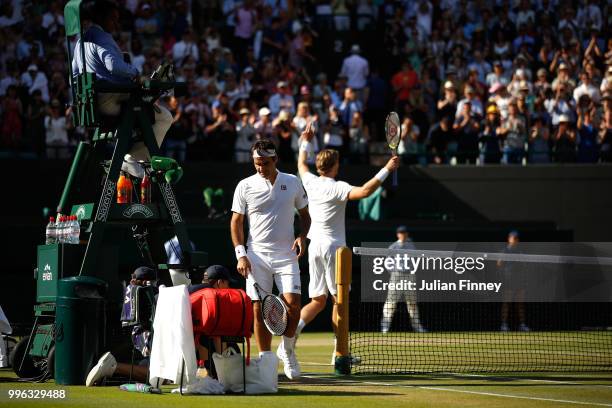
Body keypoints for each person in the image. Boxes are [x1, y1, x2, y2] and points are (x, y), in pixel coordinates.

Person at [294, 121, 400, 359]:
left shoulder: (309, 181)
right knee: (339, 300)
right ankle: (340, 352)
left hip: (315, 247)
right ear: (335, 166)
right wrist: (387, 169)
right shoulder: (338, 187)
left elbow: (301, 163)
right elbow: (364, 192)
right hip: (334, 250)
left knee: (318, 300)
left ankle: (289, 339)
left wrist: (305, 141)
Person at [230, 139, 311, 380]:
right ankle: (266, 360)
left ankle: (287, 351)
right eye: (256, 163)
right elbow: (236, 222)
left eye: (265, 163)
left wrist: (302, 237)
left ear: (275, 160)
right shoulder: (244, 185)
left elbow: (306, 216)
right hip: (256, 256)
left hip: (287, 255)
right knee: (258, 309)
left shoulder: (293, 182)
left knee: (293, 306)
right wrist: (241, 254)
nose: (260, 167)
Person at [71, 0, 173, 178]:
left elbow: (73, 74)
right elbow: (114, 66)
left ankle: (131, 159)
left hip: (91, 105)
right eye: (113, 19)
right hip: (109, 101)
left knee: (146, 104)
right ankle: (133, 160)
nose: (117, 24)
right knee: (164, 116)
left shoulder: (81, 40)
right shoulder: (102, 37)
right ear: (101, 18)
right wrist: (136, 74)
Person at [86, 266, 158, 386]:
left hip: (137, 337)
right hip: (148, 338)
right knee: (158, 375)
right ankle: (113, 367)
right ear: (147, 281)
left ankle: (112, 367)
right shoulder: (150, 291)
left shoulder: (131, 289)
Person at [380, 226, 425, 333]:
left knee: (412, 303)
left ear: (407, 234)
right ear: (398, 234)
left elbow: (416, 260)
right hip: (397, 276)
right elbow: (387, 262)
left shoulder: (411, 246)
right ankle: (385, 327)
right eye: (401, 233)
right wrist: (395, 271)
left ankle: (417, 327)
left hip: (409, 276)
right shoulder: (393, 247)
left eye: (404, 232)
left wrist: (412, 270)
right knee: (391, 302)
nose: (403, 234)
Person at [498, 231, 530, 332]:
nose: (514, 239)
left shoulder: (520, 251)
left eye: (516, 238)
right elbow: (499, 263)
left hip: (519, 281)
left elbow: (525, 264)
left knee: (520, 304)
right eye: (513, 238)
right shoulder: (505, 251)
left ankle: (522, 325)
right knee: (506, 303)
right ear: (509, 239)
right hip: (509, 281)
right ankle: (504, 325)